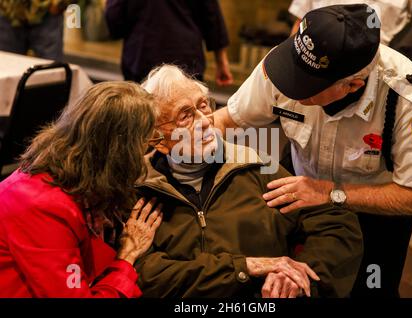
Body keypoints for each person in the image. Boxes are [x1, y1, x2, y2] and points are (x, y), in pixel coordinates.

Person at [213, 4, 412, 297]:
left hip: (375, 213)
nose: (288, 85)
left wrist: (329, 192)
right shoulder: (285, 63)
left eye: (305, 84)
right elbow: (224, 120)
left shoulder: (409, 103)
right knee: (285, 287)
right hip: (299, 188)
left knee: (370, 291)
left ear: (352, 85)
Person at [135, 65, 363, 298]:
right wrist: (245, 268)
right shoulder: (139, 189)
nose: (205, 121)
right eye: (185, 116)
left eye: (203, 105)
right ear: (158, 140)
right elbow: (147, 276)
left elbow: (337, 223)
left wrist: (297, 276)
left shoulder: (255, 167)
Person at [0, 82, 162, 297]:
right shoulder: (42, 207)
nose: (147, 153)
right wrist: (126, 258)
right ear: (121, 152)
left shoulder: (67, 173)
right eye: (146, 143)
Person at [105, 0, 233, 85]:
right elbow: (211, 13)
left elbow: (114, 15)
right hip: (186, 61)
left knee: (142, 120)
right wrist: (221, 61)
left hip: (141, 58)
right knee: (187, 118)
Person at [0, 0, 74, 60]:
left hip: (46, 13)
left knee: (50, 71)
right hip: (8, 11)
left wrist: (59, 3)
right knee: (8, 68)